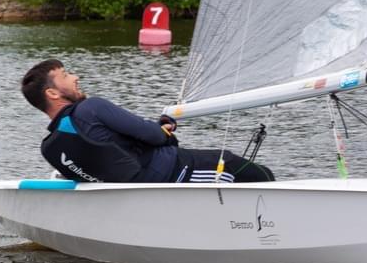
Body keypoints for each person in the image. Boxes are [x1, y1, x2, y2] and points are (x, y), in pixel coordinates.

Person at [21, 59, 275, 183]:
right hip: (175, 173)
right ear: (52, 93)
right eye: (66, 75)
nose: (75, 77)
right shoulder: (91, 108)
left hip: (139, 192)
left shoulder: (51, 148)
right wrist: (164, 128)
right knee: (252, 171)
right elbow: (153, 136)